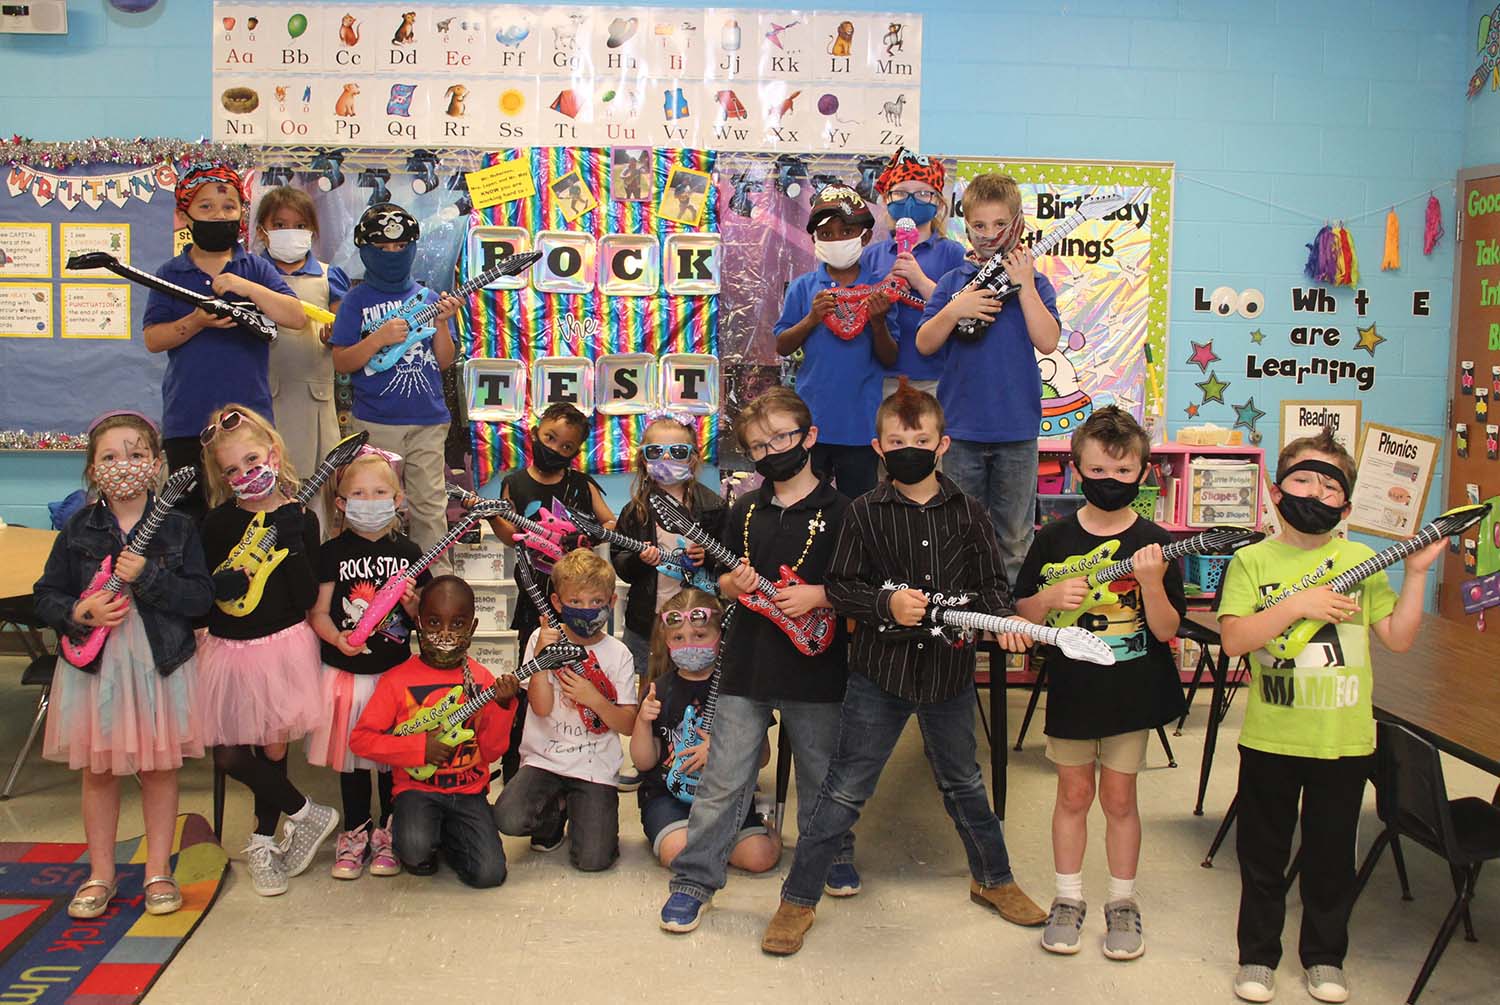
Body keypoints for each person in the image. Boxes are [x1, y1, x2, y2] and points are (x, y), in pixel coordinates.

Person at [760, 381, 1045, 955]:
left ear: (943, 445)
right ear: (879, 448)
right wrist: (885, 605)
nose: (910, 446)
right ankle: (798, 898)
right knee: (843, 790)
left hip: (947, 675)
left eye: (921, 438)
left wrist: (1003, 626)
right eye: (897, 440)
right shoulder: (863, 513)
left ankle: (994, 879)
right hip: (878, 675)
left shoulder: (970, 514)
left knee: (964, 782)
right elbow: (840, 587)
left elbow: (992, 589)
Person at [1217, 429, 1445, 1005]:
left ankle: (1324, 957)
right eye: (1302, 478)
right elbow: (1236, 640)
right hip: (1272, 736)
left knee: (1330, 854)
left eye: (1329, 485)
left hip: (1343, 741)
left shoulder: (1363, 561)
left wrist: (1416, 574)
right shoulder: (1250, 560)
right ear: (1275, 491)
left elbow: (1396, 638)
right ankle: (1258, 956)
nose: (1314, 493)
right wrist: (1298, 605)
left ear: (1345, 504)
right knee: (1263, 852)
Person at [660, 387, 855, 934]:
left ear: (810, 437)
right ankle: (695, 880)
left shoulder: (845, 512)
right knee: (724, 774)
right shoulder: (743, 509)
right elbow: (719, 583)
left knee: (822, 770)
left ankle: (834, 852)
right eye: (758, 446)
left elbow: (858, 586)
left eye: (782, 438)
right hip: (746, 661)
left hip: (816, 665)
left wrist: (819, 596)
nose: (772, 451)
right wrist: (729, 581)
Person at [1013, 406, 1186, 961]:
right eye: (1098, 472)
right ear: (1075, 468)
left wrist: (1154, 583)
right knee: (1073, 793)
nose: (1110, 483)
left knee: (1118, 798)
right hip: (1073, 692)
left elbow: (1165, 629)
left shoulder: (1157, 542)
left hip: (1131, 695)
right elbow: (1022, 613)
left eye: (1123, 473)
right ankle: (1068, 898)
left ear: (1143, 473)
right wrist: (1047, 600)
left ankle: (1122, 901)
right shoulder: (1053, 539)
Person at [32, 411, 213, 920]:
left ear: (157, 464)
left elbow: (200, 597)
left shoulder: (178, 527)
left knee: (159, 769)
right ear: (92, 469)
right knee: (99, 772)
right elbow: (46, 594)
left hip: (159, 664)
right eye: (109, 457)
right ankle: (101, 874)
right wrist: (78, 611)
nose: (124, 465)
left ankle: (158, 870)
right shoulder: (78, 528)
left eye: (136, 454)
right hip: (99, 668)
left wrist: (152, 579)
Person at [196, 405, 338, 896]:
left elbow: (304, 598)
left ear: (274, 454)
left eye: (252, 460)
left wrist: (296, 542)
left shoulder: (301, 518)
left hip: (282, 645)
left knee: (273, 748)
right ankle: (306, 812)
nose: (244, 475)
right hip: (228, 650)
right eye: (231, 470)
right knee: (231, 755)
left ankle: (263, 842)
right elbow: (205, 591)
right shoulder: (216, 525)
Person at [915, 171, 1061, 583]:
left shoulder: (1037, 283)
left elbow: (1048, 341)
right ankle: (964, 624)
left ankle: (1007, 632)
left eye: (1000, 225)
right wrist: (955, 309)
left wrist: (1026, 286)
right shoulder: (952, 282)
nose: (989, 234)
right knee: (958, 532)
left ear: (1016, 224)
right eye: (979, 225)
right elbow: (925, 343)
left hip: (1017, 432)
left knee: (1014, 537)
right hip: (960, 433)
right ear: (966, 225)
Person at [142, 164, 305, 519]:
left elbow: (295, 316)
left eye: (229, 207)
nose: (219, 215)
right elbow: (153, 339)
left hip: (250, 423)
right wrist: (196, 321)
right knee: (191, 519)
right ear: (184, 216)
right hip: (188, 421)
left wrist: (245, 288)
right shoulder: (170, 274)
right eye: (206, 208)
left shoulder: (256, 268)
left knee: (252, 513)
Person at [468, 401, 614, 781]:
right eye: (550, 438)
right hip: (534, 600)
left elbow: (609, 521)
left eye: (566, 447)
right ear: (535, 433)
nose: (555, 449)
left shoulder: (581, 484)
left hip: (581, 605)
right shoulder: (514, 483)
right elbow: (505, 533)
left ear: (576, 452)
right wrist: (496, 518)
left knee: (583, 675)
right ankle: (522, 760)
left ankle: (583, 750)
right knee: (533, 675)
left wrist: (588, 535)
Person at [307, 449, 430, 880]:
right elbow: (318, 613)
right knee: (353, 760)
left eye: (380, 492)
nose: (370, 500)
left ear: (398, 499)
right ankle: (355, 830)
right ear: (340, 503)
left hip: (395, 676)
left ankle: (389, 832)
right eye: (358, 493)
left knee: (391, 759)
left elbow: (424, 624)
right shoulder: (330, 552)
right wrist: (337, 638)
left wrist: (416, 610)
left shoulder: (412, 551)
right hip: (347, 675)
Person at [350, 577, 517, 888]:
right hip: (417, 791)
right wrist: (417, 749)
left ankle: (451, 839)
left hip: (468, 793)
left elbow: (492, 752)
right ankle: (429, 836)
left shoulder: (480, 679)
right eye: (433, 622)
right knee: (414, 851)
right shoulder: (396, 680)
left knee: (490, 875)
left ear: (473, 626)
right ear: (417, 622)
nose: (445, 633)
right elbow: (361, 740)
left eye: (457, 623)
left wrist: (503, 706)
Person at [329, 202, 462, 563]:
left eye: (401, 247)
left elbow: (445, 361)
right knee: (374, 508)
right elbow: (341, 360)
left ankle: (436, 591)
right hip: (375, 422)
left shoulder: (429, 298)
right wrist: (377, 339)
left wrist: (443, 324)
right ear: (366, 251)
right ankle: (375, 583)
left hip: (428, 420)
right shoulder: (355, 300)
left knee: (431, 508)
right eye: (384, 248)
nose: (393, 254)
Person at [493, 549, 639, 871]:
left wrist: (595, 699)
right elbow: (542, 708)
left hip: (593, 766)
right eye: (576, 602)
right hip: (545, 760)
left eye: (595, 602)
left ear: (611, 602)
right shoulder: (540, 639)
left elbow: (628, 724)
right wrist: (543, 660)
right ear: (558, 603)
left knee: (593, 860)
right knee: (508, 817)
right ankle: (555, 813)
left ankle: (584, 808)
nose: (586, 611)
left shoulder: (619, 653)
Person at [630, 590, 780, 873]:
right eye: (679, 639)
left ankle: (762, 824)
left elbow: (761, 758)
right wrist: (642, 721)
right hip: (669, 797)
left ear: (721, 637)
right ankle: (712, 844)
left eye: (700, 636)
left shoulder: (742, 690)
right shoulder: (658, 690)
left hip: (727, 796)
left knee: (760, 858)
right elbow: (644, 762)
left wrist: (725, 746)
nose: (690, 645)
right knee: (679, 855)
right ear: (667, 641)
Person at [774, 185, 897, 501]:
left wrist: (878, 321)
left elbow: (889, 358)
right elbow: (782, 345)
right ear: (814, 240)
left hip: (861, 427)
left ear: (865, 237)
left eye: (846, 231)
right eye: (826, 234)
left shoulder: (879, 289)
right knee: (807, 508)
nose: (836, 239)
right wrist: (811, 319)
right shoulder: (804, 288)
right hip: (812, 424)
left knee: (859, 511)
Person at [611, 416, 722, 702]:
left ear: (693, 459)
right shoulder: (635, 511)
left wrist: (707, 557)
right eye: (655, 452)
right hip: (648, 621)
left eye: (678, 452)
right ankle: (653, 742)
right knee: (651, 691)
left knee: (700, 689)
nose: (667, 459)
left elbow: (730, 562)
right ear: (643, 459)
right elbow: (621, 563)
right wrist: (639, 560)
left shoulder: (712, 507)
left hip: (697, 620)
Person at [253, 185, 348, 509]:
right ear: (263, 230)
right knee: (260, 486)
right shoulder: (250, 274)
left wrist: (334, 335)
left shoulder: (328, 277)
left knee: (316, 498)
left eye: (299, 225)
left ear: (313, 231)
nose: (289, 232)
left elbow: (344, 333)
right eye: (279, 225)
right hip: (262, 402)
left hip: (315, 405)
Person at [861, 149, 966, 399]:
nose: (911, 200)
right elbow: (859, 313)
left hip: (937, 378)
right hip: (883, 378)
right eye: (900, 193)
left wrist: (921, 281)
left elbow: (962, 314)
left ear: (939, 202)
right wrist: (880, 293)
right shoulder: (872, 255)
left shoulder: (953, 253)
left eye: (922, 193)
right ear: (887, 200)